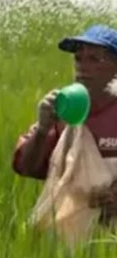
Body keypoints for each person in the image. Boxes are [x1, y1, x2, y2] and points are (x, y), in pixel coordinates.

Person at [12, 24, 117, 224]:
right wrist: (42, 129)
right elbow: (27, 168)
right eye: (78, 58)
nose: (82, 66)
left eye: (95, 59)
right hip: (71, 234)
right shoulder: (64, 110)